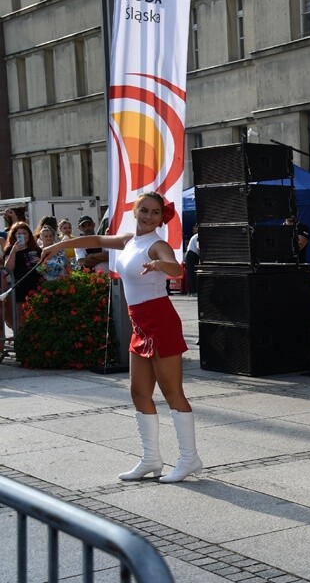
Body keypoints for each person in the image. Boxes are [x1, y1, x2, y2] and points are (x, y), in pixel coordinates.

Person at [41, 192, 203, 484]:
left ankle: (189, 459)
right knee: (138, 393)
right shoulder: (129, 240)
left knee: (172, 392)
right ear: (135, 210)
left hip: (160, 321)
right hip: (139, 324)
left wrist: (160, 266)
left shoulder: (157, 245)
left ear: (160, 217)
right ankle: (151, 458)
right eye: (145, 210)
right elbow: (98, 241)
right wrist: (59, 245)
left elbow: (176, 267)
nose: (149, 217)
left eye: (155, 213)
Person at [2, 221, 43, 330]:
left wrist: (41, 262)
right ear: (14, 236)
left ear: (29, 235)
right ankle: (22, 345)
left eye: (25, 233)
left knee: (37, 319)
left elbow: (43, 269)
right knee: (21, 320)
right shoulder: (10, 249)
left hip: (36, 286)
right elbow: (7, 270)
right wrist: (14, 252)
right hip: (20, 287)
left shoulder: (36, 249)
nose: (22, 236)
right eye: (19, 234)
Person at [185, 224, 200, 296]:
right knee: (192, 273)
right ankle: (193, 291)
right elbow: (198, 247)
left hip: (192, 254)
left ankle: (190, 291)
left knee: (190, 273)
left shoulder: (196, 236)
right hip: (192, 254)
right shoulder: (198, 236)